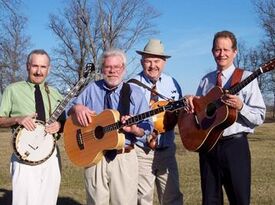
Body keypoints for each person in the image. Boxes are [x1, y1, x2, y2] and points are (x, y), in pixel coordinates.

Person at [67, 48, 153, 205]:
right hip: (94, 156)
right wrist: (77, 108)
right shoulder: (92, 88)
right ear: (102, 69)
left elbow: (147, 128)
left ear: (123, 69)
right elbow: (69, 108)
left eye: (117, 67)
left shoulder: (135, 92)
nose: (112, 71)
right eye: (108, 67)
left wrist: (134, 129)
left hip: (123, 157)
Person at [190, 30, 266, 205]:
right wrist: (192, 105)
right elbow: (200, 115)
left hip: (235, 147)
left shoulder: (247, 78)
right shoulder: (205, 81)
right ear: (212, 52)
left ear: (235, 52)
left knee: (239, 199)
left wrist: (241, 107)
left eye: (226, 49)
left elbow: (260, 116)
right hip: (208, 148)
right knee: (210, 200)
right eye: (217, 50)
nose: (221, 54)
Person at [0, 49, 64, 205]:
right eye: (35, 66)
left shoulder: (55, 93)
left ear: (49, 69)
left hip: (51, 155)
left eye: (43, 67)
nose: (38, 71)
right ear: (27, 66)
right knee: (25, 201)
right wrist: (17, 119)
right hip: (24, 155)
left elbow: (65, 123)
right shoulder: (12, 90)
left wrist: (59, 125)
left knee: (48, 201)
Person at [132, 39, 183, 205]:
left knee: (172, 197)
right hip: (142, 151)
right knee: (143, 199)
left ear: (164, 62)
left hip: (167, 150)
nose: (153, 65)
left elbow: (180, 114)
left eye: (157, 61)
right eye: (148, 61)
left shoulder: (173, 83)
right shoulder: (131, 85)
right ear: (141, 62)